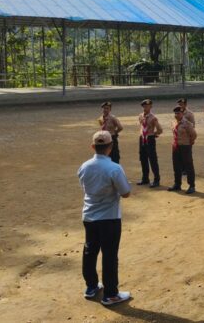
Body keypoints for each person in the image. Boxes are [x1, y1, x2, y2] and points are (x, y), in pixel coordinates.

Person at [78, 130, 131, 306]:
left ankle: (91, 286)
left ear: (93, 147)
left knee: (90, 251)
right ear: (110, 147)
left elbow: (85, 188)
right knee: (109, 255)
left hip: (89, 216)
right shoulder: (114, 168)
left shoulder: (84, 166)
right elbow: (126, 193)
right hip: (109, 218)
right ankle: (110, 294)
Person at [169, 107, 197, 193]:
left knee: (188, 166)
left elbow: (194, 135)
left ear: (182, 114)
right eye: (175, 113)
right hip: (176, 146)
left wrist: (189, 143)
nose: (176, 115)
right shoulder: (174, 123)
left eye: (178, 113)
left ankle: (191, 185)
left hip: (185, 146)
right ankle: (177, 184)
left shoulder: (187, 124)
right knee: (176, 166)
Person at [137, 99, 163, 187]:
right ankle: (145, 178)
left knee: (152, 160)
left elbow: (160, 129)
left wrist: (153, 134)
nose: (145, 108)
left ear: (151, 107)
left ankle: (156, 180)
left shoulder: (153, 118)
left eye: (147, 106)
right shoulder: (140, 116)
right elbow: (141, 126)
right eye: (144, 106)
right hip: (142, 139)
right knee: (143, 159)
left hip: (150, 139)